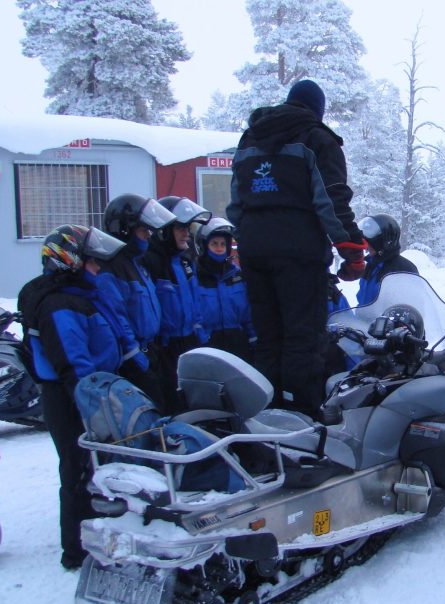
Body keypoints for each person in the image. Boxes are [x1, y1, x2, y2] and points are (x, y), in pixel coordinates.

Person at [226, 78, 366, 416]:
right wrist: (352, 251)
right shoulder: (317, 138)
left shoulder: (250, 139)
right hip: (299, 255)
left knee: (268, 338)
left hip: (255, 254)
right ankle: (302, 421)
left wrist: (248, 240)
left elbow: (235, 202)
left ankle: (264, 413)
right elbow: (331, 200)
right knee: (302, 339)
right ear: (317, 109)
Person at [17, 224, 127, 570]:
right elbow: (73, 362)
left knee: (93, 468)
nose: (98, 270)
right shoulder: (60, 304)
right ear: (71, 262)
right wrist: (92, 408)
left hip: (86, 391)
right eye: (93, 264)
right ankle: (77, 551)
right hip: (73, 398)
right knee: (79, 471)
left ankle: (95, 538)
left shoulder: (73, 296)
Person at [97, 193, 177, 410]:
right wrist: (133, 353)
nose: (148, 237)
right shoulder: (111, 268)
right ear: (125, 230)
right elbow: (116, 315)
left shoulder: (136, 264)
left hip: (152, 350)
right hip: (133, 358)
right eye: (143, 231)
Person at [142, 196, 211, 413]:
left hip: (189, 343)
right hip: (164, 348)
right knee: (171, 406)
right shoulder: (150, 262)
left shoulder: (185, 259)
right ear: (163, 230)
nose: (186, 233)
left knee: (195, 403)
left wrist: (200, 333)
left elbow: (195, 300)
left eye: (187, 228)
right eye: (180, 228)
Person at [194, 217, 257, 363]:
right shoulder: (196, 278)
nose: (219, 248)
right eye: (214, 243)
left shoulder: (237, 275)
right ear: (204, 246)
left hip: (238, 342)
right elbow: (193, 314)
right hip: (208, 344)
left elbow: (249, 313)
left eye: (223, 244)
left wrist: (253, 338)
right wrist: (202, 339)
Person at [355, 214, 418, 305]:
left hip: (389, 318)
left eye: (368, 244)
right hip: (364, 318)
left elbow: (413, 305)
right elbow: (363, 301)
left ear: (384, 242)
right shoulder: (371, 265)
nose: (366, 248)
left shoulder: (403, 269)